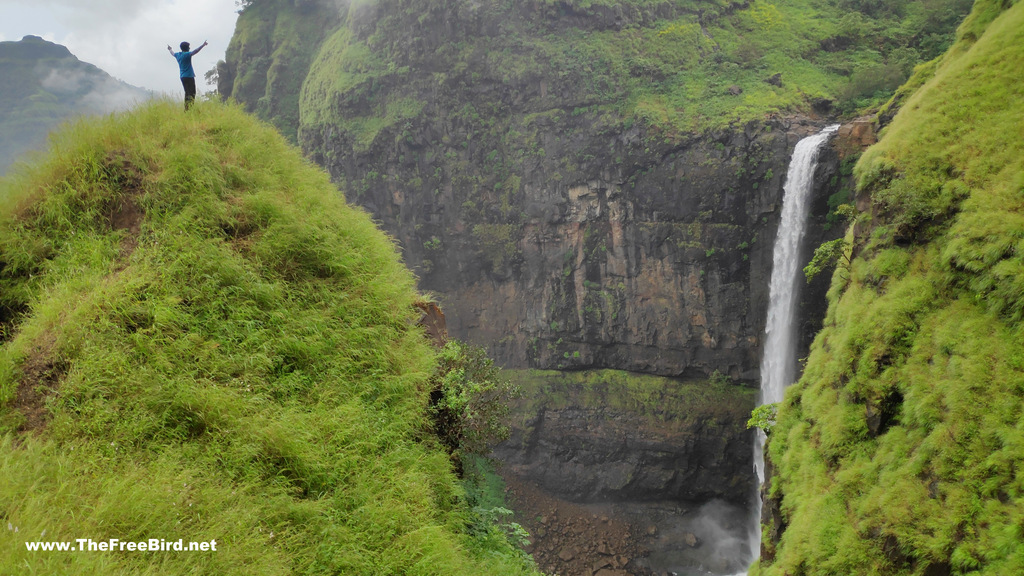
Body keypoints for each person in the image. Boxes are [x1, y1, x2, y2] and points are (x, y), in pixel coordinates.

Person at [167, 40, 208, 110]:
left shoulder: (178, 55)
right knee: (192, 93)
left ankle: (186, 108)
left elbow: (172, 53)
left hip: (182, 77)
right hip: (189, 76)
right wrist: (203, 45)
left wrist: (170, 49)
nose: (189, 48)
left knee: (187, 93)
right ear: (186, 48)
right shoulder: (187, 55)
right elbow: (196, 51)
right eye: (188, 47)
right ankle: (190, 109)